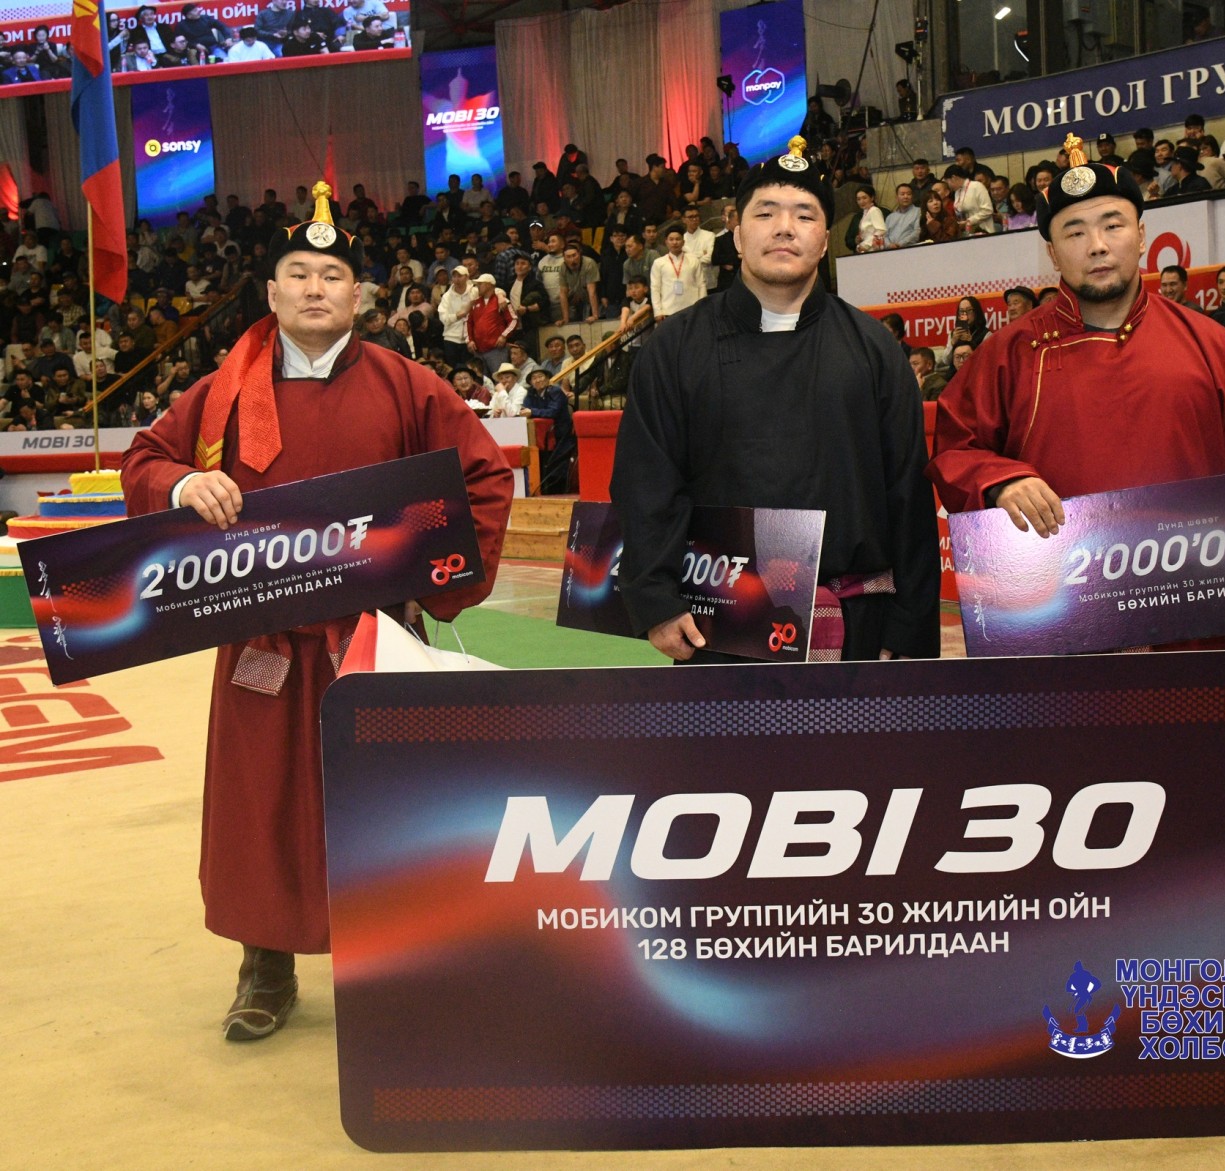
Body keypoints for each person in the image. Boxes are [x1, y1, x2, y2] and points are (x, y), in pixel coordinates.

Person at [119, 182, 513, 1043]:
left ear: (358, 295)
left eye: (332, 276)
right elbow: (145, 458)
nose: (314, 288)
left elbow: (484, 476)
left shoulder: (408, 385)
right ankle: (265, 965)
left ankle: (400, 967)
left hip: (372, 636)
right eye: (297, 273)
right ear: (271, 292)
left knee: (386, 803)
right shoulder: (219, 394)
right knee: (260, 804)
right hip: (260, 639)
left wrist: (436, 574)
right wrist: (184, 483)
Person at [611, 136, 940, 664]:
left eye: (804, 215)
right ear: (737, 234)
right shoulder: (675, 347)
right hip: (716, 624)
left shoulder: (873, 349)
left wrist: (908, 626)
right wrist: (655, 598)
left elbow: (908, 492)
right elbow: (645, 480)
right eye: (765, 213)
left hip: (856, 624)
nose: (785, 227)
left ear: (824, 240)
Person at [929, 135, 1225, 544]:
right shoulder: (1008, 353)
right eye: (1075, 234)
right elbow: (955, 452)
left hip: (1197, 568)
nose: (1097, 246)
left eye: (1113, 226)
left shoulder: (1210, 344)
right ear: (1053, 254)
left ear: (1141, 236)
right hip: (1060, 573)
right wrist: (1001, 482)